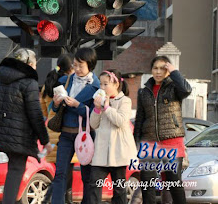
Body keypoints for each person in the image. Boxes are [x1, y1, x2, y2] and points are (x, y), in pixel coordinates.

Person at [0, 48, 53, 204]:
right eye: (34, 64)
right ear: (28, 64)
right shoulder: (29, 82)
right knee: (15, 170)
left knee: (12, 170)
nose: (34, 67)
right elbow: (35, 114)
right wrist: (45, 139)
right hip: (19, 136)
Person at [133, 55, 192, 204]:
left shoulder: (174, 88)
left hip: (172, 140)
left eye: (162, 68)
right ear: (151, 70)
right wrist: (136, 143)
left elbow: (186, 89)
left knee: (173, 181)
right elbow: (140, 118)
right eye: (155, 68)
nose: (158, 72)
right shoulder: (143, 92)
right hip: (150, 142)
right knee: (147, 181)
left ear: (167, 71)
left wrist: (174, 72)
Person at [51, 47, 100, 204]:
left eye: (81, 65)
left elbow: (95, 114)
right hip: (66, 133)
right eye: (75, 65)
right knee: (60, 173)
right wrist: (57, 102)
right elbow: (53, 108)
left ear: (90, 65)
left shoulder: (97, 86)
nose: (77, 69)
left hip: (86, 134)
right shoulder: (67, 80)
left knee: (87, 174)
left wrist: (78, 105)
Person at [89, 69, 137, 204]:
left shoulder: (125, 101)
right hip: (101, 153)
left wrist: (107, 108)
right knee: (94, 184)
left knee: (119, 189)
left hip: (118, 153)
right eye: (101, 85)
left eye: (106, 84)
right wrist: (97, 109)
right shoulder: (101, 102)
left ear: (116, 84)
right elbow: (93, 124)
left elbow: (121, 121)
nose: (102, 88)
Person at [40, 53, 76, 204]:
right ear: (71, 68)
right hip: (64, 133)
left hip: (51, 133)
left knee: (60, 174)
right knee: (65, 175)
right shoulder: (67, 85)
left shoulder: (47, 85)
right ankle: (60, 200)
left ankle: (51, 200)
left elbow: (44, 112)